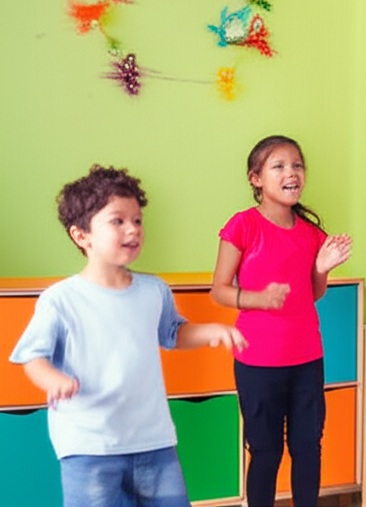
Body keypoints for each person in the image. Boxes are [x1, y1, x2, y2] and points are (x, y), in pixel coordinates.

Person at [9, 165, 247, 507]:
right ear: (82, 236)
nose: (132, 229)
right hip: (89, 446)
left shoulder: (153, 290)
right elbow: (32, 355)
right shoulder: (61, 299)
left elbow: (173, 332)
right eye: (117, 221)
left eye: (137, 220)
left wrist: (211, 330)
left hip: (155, 442)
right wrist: (52, 379)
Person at [210, 135, 352, 507]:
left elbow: (313, 293)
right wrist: (257, 298)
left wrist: (321, 268)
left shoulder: (311, 234)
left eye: (297, 165)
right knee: (266, 451)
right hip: (257, 362)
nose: (292, 172)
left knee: (308, 448)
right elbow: (219, 290)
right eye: (279, 166)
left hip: (307, 360)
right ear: (256, 179)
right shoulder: (242, 226)